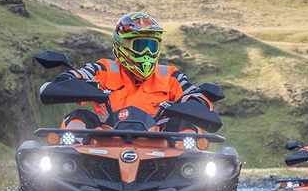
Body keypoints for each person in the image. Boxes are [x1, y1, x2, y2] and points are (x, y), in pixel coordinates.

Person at [47, 12, 211, 130]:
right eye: (140, 46)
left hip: (160, 144)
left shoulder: (169, 75)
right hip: (102, 142)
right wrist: (70, 81)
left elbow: (193, 93)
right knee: (78, 117)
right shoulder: (104, 68)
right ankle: (67, 165)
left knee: (187, 126)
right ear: (122, 46)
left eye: (152, 46)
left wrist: (197, 101)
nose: (147, 52)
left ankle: (192, 173)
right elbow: (78, 76)